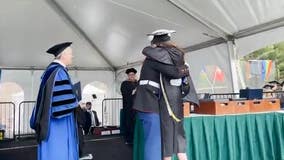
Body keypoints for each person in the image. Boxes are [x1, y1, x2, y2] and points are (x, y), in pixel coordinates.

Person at [133, 30, 190, 160]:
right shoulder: (154, 59)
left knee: (155, 143)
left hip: (151, 105)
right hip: (149, 105)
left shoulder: (153, 58)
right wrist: (185, 68)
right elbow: (175, 73)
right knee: (154, 144)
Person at [146, 30, 199, 160]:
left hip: (166, 98)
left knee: (167, 136)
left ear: (157, 43)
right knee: (179, 134)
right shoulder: (178, 53)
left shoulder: (156, 56)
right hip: (177, 96)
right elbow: (181, 72)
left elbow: (173, 72)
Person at [30, 42, 79, 160]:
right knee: (59, 150)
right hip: (58, 123)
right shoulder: (59, 72)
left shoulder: (50, 70)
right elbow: (61, 101)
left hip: (48, 117)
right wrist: (77, 103)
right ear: (63, 55)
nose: (73, 56)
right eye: (71, 54)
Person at [120, 68, 138, 144]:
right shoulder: (124, 84)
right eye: (130, 75)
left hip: (137, 107)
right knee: (128, 123)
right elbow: (124, 94)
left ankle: (136, 138)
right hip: (128, 107)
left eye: (133, 75)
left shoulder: (138, 83)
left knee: (136, 123)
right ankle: (129, 139)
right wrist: (132, 92)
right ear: (128, 75)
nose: (132, 76)